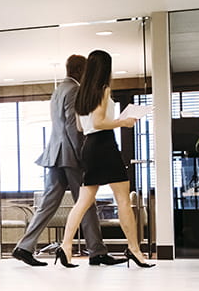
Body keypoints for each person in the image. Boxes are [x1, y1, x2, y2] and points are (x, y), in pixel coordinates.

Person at [12, 54, 126, 267]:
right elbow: (73, 128)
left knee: (48, 204)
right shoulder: (74, 90)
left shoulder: (58, 90)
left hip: (55, 154)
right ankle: (97, 252)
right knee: (86, 203)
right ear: (80, 71)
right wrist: (83, 155)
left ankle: (24, 247)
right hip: (70, 156)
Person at [56, 49, 154, 268]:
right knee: (123, 201)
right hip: (105, 146)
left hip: (89, 147)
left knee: (82, 202)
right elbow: (100, 123)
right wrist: (123, 122)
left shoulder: (81, 93)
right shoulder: (103, 89)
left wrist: (113, 120)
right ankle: (135, 250)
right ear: (105, 68)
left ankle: (65, 247)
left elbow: (82, 126)